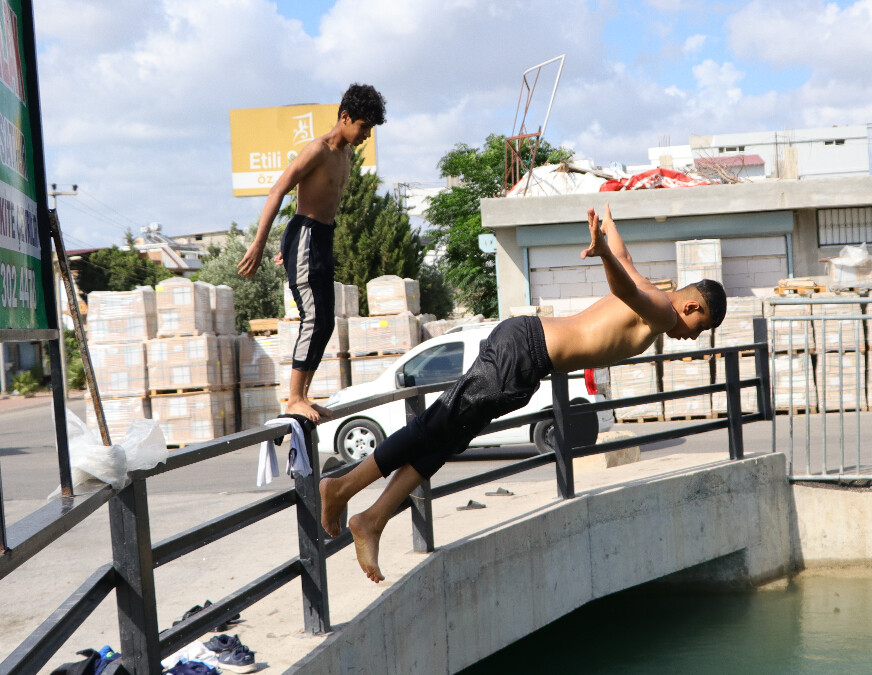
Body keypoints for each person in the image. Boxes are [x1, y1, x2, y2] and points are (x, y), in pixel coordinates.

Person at [319, 204, 727, 582]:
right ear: (692, 308)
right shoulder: (663, 313)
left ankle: (373, 518)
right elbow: (625, 291)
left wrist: (609, 231)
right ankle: (342, 487)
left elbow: (625, 259)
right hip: (525, 350)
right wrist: (603, 251)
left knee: (448, 437)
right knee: (436, 426)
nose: (693, 337)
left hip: (527, 356)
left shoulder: (652, 289)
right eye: (701, 328)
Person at [237, 84, 387, 422]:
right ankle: (293, 399)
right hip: (305, 235)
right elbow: (278, 190)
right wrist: (260, 243)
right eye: (363, 126)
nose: (366, 135)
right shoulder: (317, 150)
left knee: (326, 322)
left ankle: (303, 395)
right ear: (345, 116)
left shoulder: (346, 155)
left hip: (320, 238)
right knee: (313, 318)